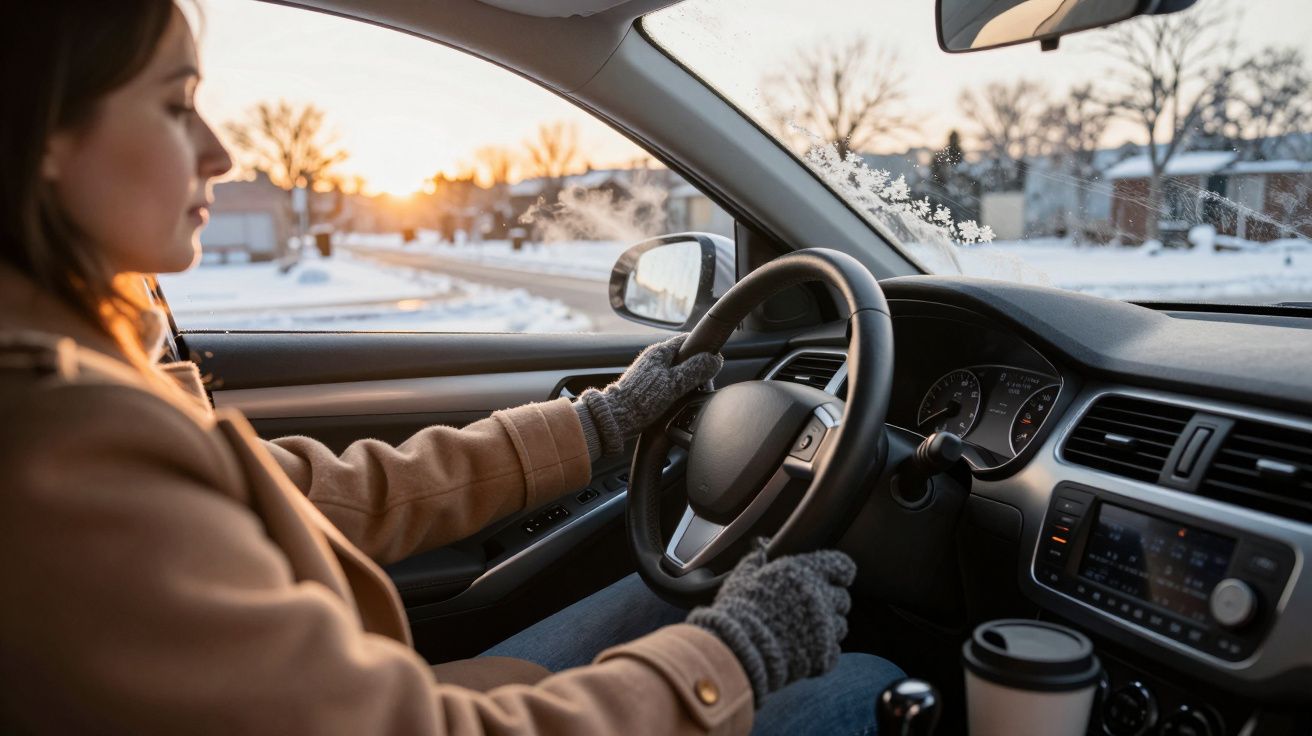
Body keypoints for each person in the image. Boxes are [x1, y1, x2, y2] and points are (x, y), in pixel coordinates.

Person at [0, 2, 903, 734]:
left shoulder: (80, 379)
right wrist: (730, 659)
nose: (220, 153)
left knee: (680, 612)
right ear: (43, 130)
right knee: (862, 686)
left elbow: (326, 496)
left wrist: (602, 424)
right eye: (174, 102)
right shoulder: (58, 450)